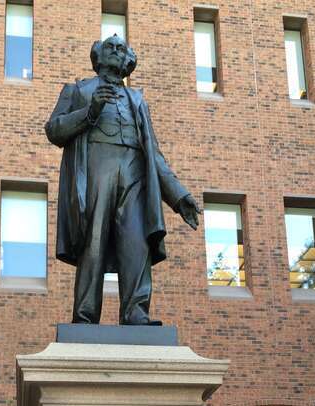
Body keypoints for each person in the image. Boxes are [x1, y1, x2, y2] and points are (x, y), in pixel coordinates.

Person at [45, 34, 201, 325]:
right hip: (96, 170)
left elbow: (154, 154)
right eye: (110, 47)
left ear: (129, 60)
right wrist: (90, 112)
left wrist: (179, 197)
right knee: (94, 241)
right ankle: (85, 315)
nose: (116, 51)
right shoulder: (77, 90)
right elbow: (54, 130)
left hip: (133, 173)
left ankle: (136, 312)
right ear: (98, 57)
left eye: (122, 48)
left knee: (136, 241)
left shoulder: (137, 100)